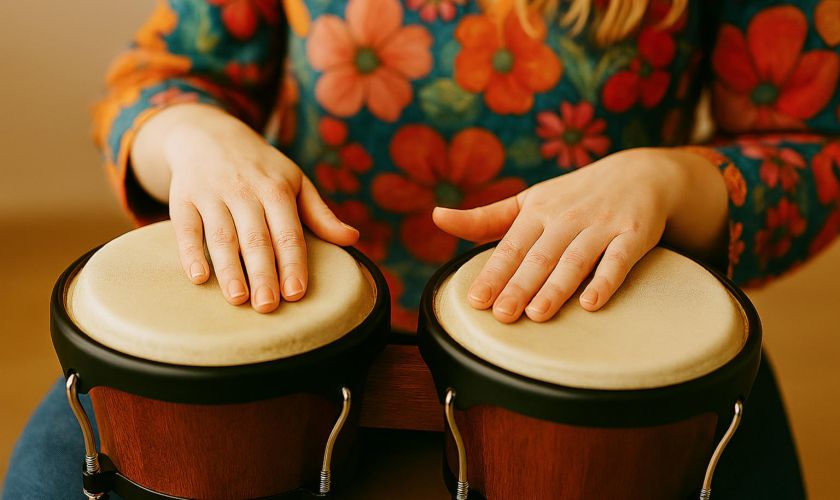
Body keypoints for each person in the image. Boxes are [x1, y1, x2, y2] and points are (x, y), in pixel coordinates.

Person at [4, 0, 837, 497]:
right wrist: (194, 136)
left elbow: (812, 148)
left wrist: (667, 178)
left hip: (619, 352)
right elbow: (160, 75)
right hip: (280, 333)